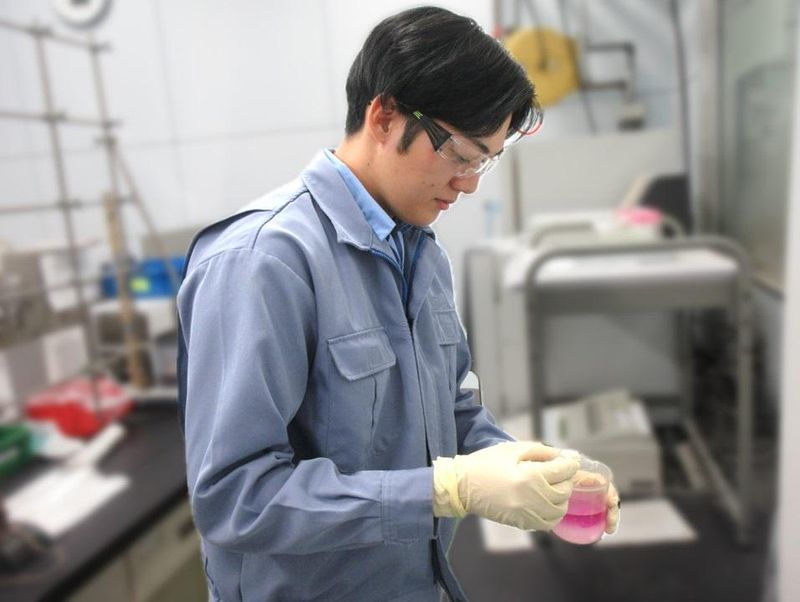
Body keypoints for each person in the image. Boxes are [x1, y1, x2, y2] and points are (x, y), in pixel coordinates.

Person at [177, 6, 619, 601]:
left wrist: (527, 468)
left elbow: (449, 408)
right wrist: (445, 490)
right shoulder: (263, 261)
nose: (470, 183)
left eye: (485, 161)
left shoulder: (420, 253)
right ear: (384, 117)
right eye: (460, 154)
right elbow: (235, 499)